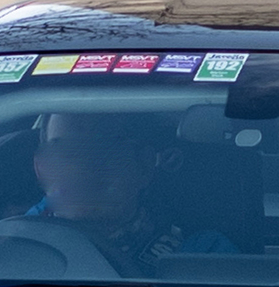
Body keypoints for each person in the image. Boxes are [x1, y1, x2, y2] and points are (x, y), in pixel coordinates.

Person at [27, 112, 237, 274]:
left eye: (103, 148)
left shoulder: (202, 255)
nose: (81, 166)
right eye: (63, 149)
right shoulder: (12, 242)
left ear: (144, 165)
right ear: (40, 166)